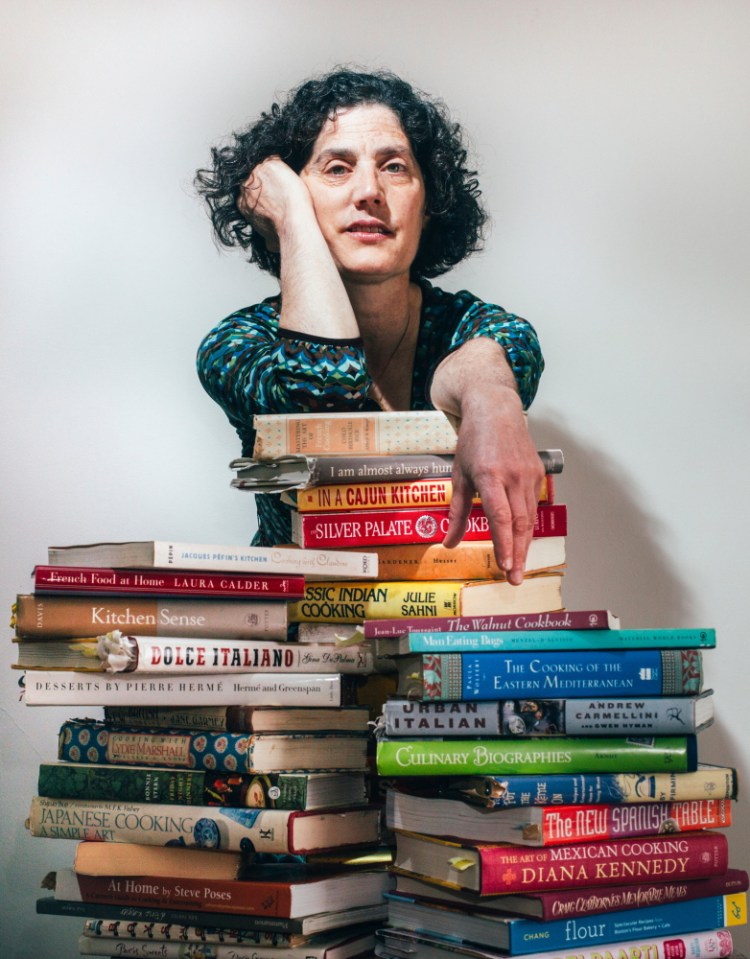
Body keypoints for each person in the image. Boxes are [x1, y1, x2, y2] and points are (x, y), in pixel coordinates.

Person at [196, 68, 544, 585]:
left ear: (429, 206)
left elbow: (485, 353)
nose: (369, 191)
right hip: (295, 634)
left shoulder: (476, 326)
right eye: (336, 169)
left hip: (452, 625)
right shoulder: (238, 345)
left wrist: (493, 395)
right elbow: (325, 388)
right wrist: (293, 220)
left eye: (396, 168)